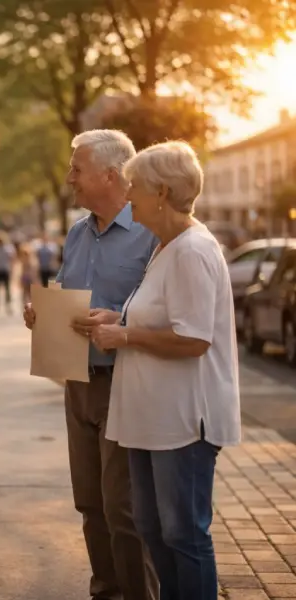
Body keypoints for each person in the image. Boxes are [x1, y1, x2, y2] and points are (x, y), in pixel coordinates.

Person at [86, 141, 241, 600]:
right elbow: (159, 318)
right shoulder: (165, 248)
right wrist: (116, 321)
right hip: (150, 421)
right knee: (153, 531)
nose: (129, 196)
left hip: (183, 423)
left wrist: (126, 337)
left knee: (183, 536)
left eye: (136, 187)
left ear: (163, 192)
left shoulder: (192, 250)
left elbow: (194, 339)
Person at [23, 129, 159, 600]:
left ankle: (140, 594)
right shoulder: (79, 232)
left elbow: (165, 310)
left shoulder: (150, 233)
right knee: (90, 502)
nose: (69, 179)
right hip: (78, 381)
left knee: (124, 508)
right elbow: (65, 289)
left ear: (110, 174)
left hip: (126, 381)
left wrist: (118, 317)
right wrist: (42, 312)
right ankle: (105, 591)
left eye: (77, 170)